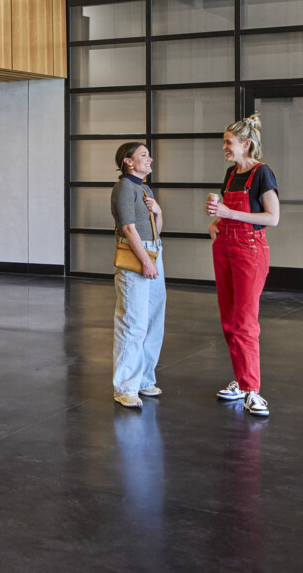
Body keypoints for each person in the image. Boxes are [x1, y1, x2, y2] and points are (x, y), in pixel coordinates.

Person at [205, 114, 280, 417]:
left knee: (246, 322)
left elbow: (272, 218)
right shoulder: (231, 172)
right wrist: (216, 222)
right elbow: (227, 212)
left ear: (246, 144)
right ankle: (241, 380)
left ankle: (253, 391)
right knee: (229, 321)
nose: (224, 146)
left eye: (228, 142)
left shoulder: (263, 173)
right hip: (225, 247)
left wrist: (228, 214)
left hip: (250, 251)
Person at [111, 141, 165, 409]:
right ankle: (125, 387)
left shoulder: (144, 188)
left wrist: (158, 211)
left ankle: (144, 379)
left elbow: (156, 228)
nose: (150, 159)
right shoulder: (124, 187)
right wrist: (145, 261)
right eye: (143, 155)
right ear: (128, 162)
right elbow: (129, 228)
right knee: (133, 322)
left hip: (154, 253)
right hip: (138, 256)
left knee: (154, 320)